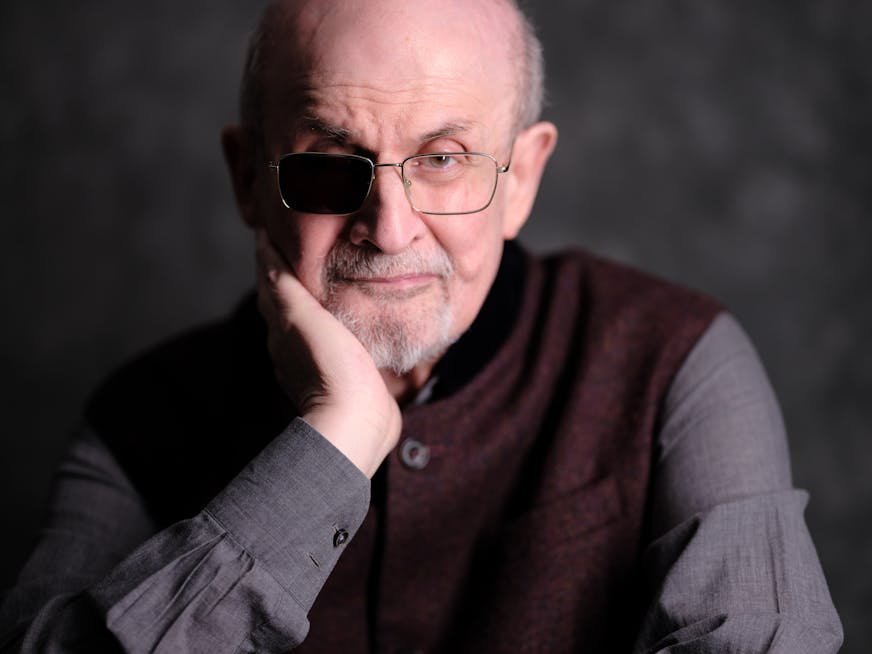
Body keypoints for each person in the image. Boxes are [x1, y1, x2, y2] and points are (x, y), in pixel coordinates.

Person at [0, 0, 843, 652]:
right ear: (248, 180)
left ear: (522, 179)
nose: (391, 227)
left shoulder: (676, 364)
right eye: (332, 162)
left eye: (442, 159)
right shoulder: (139, 418)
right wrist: (336, 440)